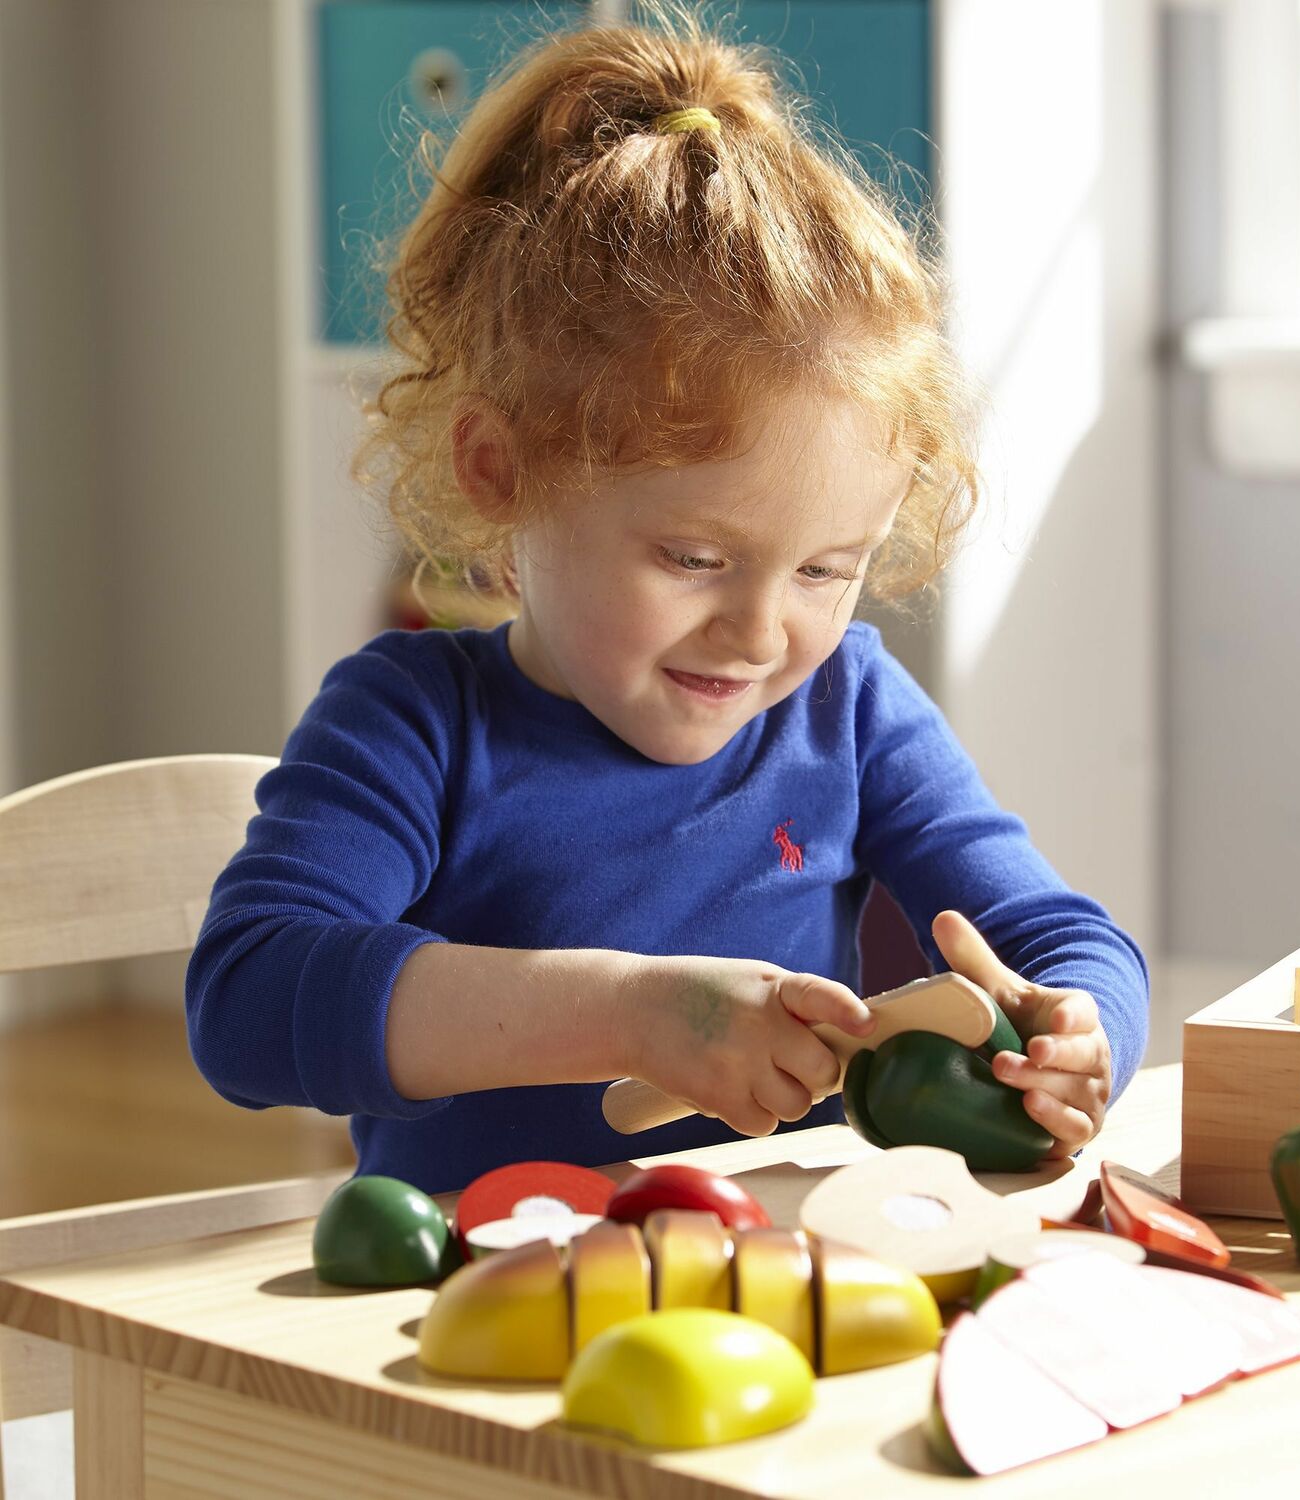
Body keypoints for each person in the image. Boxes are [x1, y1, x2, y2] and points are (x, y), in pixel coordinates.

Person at [186, 5, 1148, 1195]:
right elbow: (248, 999)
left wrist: (1079, 1034)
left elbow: (1066, 940)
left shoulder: (851, 708)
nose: (758, 633)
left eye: (823, 568)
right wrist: (631, 1011)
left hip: (780, 1306)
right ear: (505, 471)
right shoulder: (413, 721)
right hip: (474, 1325)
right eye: (694, 558)